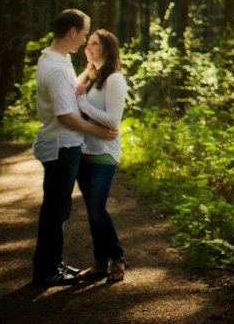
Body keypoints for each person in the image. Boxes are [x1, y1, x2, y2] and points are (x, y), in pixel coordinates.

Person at [32, 9, 119, 287]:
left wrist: (90, 70)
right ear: (72, 32)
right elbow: (65, 115)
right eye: (83, 34)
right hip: (61, 145)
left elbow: (72, 89)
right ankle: (47, 270)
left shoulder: (57, 59)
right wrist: (99, 131)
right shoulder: (56, 68)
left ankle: (53, 263)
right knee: (56, 210)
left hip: (64, 145)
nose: (84, 41)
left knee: (59, 208)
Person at [73, 28, 128, 282]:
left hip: (104, 153)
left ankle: (117, 257)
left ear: (106, 48)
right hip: (85, 152)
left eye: (93, 44)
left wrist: (83, 105)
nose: (88, 46)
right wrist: (88, 67)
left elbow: (113, 120)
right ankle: (100, 261)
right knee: (92, 210)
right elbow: (75, 88)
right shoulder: (95, 78)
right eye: (87, 43)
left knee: (97, 210)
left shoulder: (114, 79)